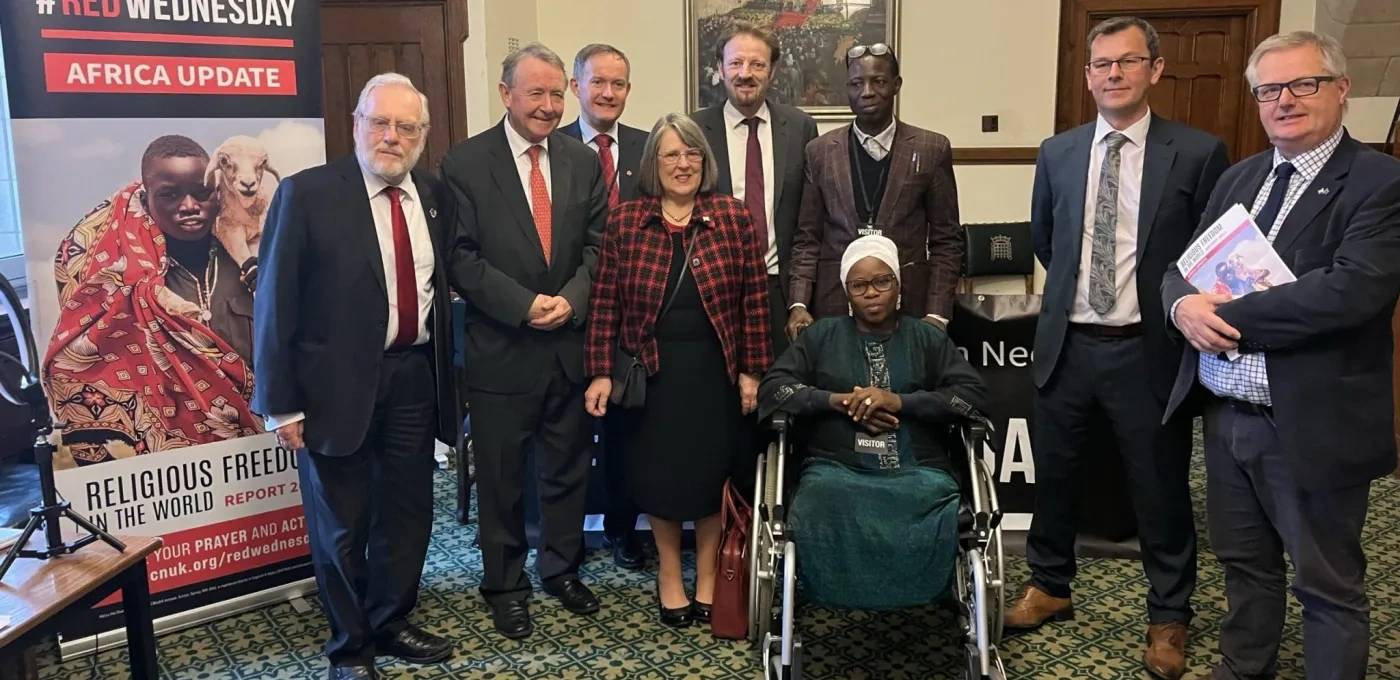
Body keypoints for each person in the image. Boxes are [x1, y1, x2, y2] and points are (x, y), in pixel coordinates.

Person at [1163, 31, 1400, 680]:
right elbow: (1185, 268)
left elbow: (1349, 293)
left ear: (1341, 89)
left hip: (1311, 421)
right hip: (1227, 417)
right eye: (1269, 89)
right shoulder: (1241, 177)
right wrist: (1181, 306)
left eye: (1304, 84)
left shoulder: (1382, 182)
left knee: (1327, 587)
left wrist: (1223, 316)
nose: (1284, 101)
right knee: (1245, 569)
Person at [1011, 16, 1232, 680]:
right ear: (1087, 77)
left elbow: (1206, 255)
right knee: (1056, 478)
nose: (1112, 74)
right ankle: (1050, 584)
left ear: (1154, 70)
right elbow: (1048, 241)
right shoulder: (1059, 151)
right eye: (1101, 64)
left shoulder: (1197, 152)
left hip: (1148, 351)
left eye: (1127, 62)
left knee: (1159, 489)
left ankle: (1169, 615)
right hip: (1068, 346)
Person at [252, 73, 459, 680]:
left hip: (413, 378)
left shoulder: (434, 193)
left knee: (408, 512)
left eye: (406, 127)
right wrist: (281, 405)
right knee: (341, 526)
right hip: (332, 390)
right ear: (357, 124)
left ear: (423, 135)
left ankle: (392, 619)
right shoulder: (308, 193)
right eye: (380, 123)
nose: (391, 137)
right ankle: (351, 646)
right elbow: (275, 304)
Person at [439, 43, 607, 640]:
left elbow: (597, 246)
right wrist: (522, 304)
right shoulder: (463, 163)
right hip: (501, 350)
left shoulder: (582, 162)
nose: (548, 105)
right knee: (504, 479)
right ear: (506, 93)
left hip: (567, 344)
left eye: (557, 93)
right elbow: (459, 258)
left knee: (566, 470)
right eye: (535, 92)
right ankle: (505, 585)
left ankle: (561, 568)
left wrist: (573, 299)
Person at [584, 112, 770, 627]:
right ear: (654, 163)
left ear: (704, 161)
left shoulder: (732, 216)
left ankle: (708, 571)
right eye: (671, 154)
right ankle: (670, 572)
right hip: (653, 376)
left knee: (711, 474)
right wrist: (601, 371)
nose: (683, 164)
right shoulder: (626, 219)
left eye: (692, 153)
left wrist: (754, 371)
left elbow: (755, 300)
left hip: (714, 373)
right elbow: (604, 304)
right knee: (661, 476)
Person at [757, 234, 989, 609]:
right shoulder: (821, 335)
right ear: (846, 291)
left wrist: (901, 401)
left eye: (882, 281)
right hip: (835, 470)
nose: (871, 292)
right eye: (859, 284)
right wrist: (835, 400)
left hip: (918, 471)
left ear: (898, 285)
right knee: (817, 501)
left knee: (935, 500)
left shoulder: (926, 338)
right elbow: (774, 388)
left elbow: (972, 396)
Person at [45, 135, 262, 467]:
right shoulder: (125, 287)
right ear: (146, 200)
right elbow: (80, 366)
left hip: (265, 455)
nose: (189, 205)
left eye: (202, 192)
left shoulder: (254, 263)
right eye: (170, 195)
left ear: (219, 193)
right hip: (167, 473)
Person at [787, 43, 961, 335]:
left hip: (910, 311)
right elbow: (807, 238)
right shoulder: (820, 152)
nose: (867, 91)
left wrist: (938, 314)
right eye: (857, 83)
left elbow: (947, 241)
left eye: (878, 81)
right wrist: (799, 304)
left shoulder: (931, 148)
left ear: (896, 85)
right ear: (847, 89)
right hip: (834, 308)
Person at [560, 42, 648, 570]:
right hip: (567, 309)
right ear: (577, 87)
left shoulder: (648, 147)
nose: (608, 92)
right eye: (598, 82)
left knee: (622, 429)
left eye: (618, 84)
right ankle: (564, 538)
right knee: (566, 431)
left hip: (633, 316)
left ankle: (622, 527)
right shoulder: (555, 146)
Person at [691, 22, 819, 358]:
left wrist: (799, 297)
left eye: (757, 64)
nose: (745, 74)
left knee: (779, 392)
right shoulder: (694, 130)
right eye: (735, 63)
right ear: (720, 68)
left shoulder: (801, 128)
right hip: (714, 288)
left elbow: (809, 218)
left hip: (779, 287)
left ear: (772, 72)